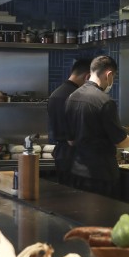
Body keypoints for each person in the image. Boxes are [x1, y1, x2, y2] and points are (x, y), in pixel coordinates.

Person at [65, 55, 129, 197]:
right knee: (103, 217)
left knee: (79, 216)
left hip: (77, 170)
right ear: (108, 75)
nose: (112, 81)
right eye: (113, 76)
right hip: (101, 173)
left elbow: (70, 140)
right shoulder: (105, 101)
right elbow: (121, 142)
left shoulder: (72, 97)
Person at [47, 58, 91, 186]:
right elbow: (75, 136)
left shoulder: (55, 94)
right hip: (75, 158)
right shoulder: (76, 96)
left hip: (61, 154)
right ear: (87, 76)